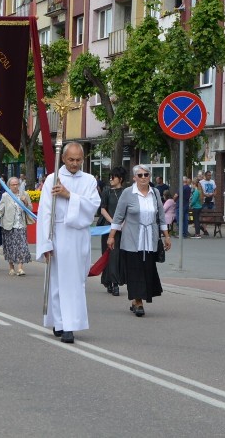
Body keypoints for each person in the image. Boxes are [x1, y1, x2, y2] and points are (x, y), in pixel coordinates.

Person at [36, 142, 100, 344]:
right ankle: (63, 324)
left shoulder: (89, 180)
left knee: (75, 282)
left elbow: (92, 205)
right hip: (58, 233)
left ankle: (67, 322)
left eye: (78, 160)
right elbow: (45, 212)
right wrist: (45, 243)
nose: (74, 164)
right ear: (63, 159)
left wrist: (69, 195)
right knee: (58, 281)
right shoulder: (52, 179)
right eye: (71, 160)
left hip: (79, 235)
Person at [107, 164, 171, 317]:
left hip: (150, 238)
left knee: (147, 269)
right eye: (140, 175)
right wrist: (111, 236)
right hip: (131, 239)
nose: (144, 178)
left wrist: (166, 236)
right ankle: (138, 301)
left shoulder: (155, 193)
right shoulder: (128, 193)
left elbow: (161, 217)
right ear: (134, 178)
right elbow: (118, 216)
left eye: (146, 175)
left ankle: (137, 299)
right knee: (135, 270)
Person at [0, 176, 33, 276]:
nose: (15, 186)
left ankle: (20, 268)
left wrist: (25, 202)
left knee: (22, 246)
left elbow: (30, 209)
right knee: (10, 247)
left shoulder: (24, 194)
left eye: (17, 184)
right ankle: (11, 267)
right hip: (8, 225)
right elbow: (0, 209)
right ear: (9, 185)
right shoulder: (5, 196)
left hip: (21, 224)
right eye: (13, 185)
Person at [97, 166, 127, 296]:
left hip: (122, 228)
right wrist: (113, 221)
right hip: (107, 227)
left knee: (116, 255)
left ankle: (115, 283)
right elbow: (102, 209)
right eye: (110, 176)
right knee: (107, 253)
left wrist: (122, 222)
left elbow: (128, 209)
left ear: (120, 178)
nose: (110, 179)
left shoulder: (126, 192)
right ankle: (108, 281)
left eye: (113, 177)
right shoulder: (106, 191)